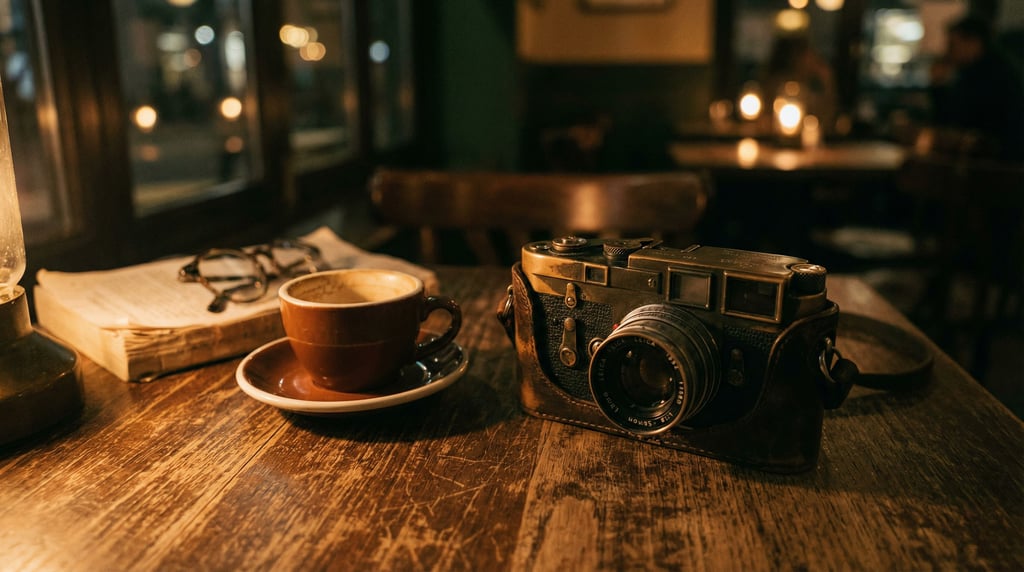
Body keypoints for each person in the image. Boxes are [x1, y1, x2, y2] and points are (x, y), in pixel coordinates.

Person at [930, 15, 1024, 160]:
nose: (947, 52)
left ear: (973, 42)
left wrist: (939, 87)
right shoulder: (974, 71)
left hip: (997, 163)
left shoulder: (993, 74)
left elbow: (956, 120)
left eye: (952, 45)